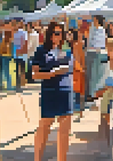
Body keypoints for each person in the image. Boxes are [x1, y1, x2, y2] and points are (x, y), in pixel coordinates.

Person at [33, 22, 72, 161]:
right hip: (49, 91)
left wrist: (77, 45)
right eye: (55, 33)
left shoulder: (67, 50)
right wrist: (50, 74)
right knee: (44, 126)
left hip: (65, 90)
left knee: (64, 130)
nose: (58, 37)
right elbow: (34, 74)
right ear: (49, 35)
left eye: (61, 33)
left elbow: (78, 66)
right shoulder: (41, 50)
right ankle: (37, 158)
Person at [86, 16, 106, 99]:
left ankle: (94, 93)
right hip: (94, 53)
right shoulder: (94, 29)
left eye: (94, 20)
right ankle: (92, 93)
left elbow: (97, 43)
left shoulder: (100, 30)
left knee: (95, 74)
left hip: (96, 53)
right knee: (93, 75)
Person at [70, 29, 86, 121]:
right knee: (80, 93)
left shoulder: (76, 45)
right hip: (80, 70)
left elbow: (76, 58)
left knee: (77, 92)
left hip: (77, 70)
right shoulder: (79, 45)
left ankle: (78, 112)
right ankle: (80, 112)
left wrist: (80, 68)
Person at [13, 22, 28, 92]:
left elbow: (14, 43)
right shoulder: (24, 33)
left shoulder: (15, 33)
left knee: (17, 69)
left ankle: (17, 84)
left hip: (16, 52)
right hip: (23, 53)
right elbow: (25, 42)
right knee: (23, 69)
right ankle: (22, 84)